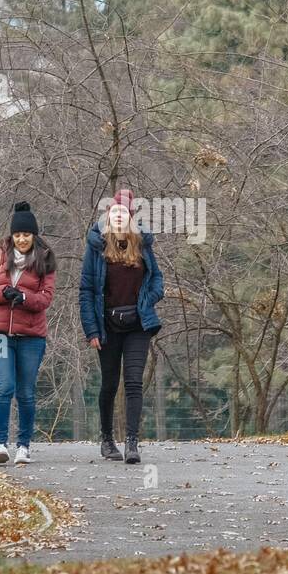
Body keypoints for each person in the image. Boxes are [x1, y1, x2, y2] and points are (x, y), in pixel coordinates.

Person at [79, 189, 164, 463]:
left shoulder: (142, 244)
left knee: (134, 382)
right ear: (108, 215)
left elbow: (157, 280)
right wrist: (91, 330)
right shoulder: (97, 246)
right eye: (113, 212)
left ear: (130, 217)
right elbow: (87, 290)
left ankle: (132, 443)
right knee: (109, 384)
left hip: (138, 323)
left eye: (123, 213)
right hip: (107, 325)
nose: (118, 217)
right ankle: (106, 439)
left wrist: (147, 300)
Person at [0, 201, 56, 464]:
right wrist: (3, 292)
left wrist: (22, 297)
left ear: (34, 235)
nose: (22, 239)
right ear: (12, 235)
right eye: (18, 234)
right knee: (4, 387)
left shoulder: (45, 259)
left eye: (26, 234)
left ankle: (24, 446)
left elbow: (45, 299)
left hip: (32, 337)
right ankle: (0, 443)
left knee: (26, 392)